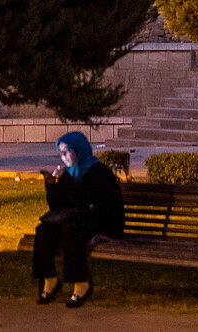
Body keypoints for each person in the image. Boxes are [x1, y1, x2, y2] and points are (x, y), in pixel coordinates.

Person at [32, 130, 125, 307]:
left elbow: (96, 205)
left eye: (67, 151)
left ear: (79, 149)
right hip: (79, 219)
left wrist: (74, 202)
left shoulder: (98, 172)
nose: (64, 156)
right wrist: (52, 187)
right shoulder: (69, 174)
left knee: (71, 231)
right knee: (43, 230)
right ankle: (50, 279)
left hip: (103, 222)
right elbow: (58, 207)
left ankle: (81, 283)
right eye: (61, 152)